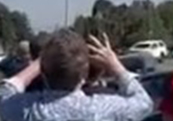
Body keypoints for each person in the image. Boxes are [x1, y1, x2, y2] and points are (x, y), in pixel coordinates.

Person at [0, 30, 153, 121]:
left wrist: (39, 63)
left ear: (43, 73)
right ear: (84, 76)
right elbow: (144, 103)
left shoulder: (29, 109)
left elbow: (5, 93)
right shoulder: (101, 108)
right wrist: (115, 66)